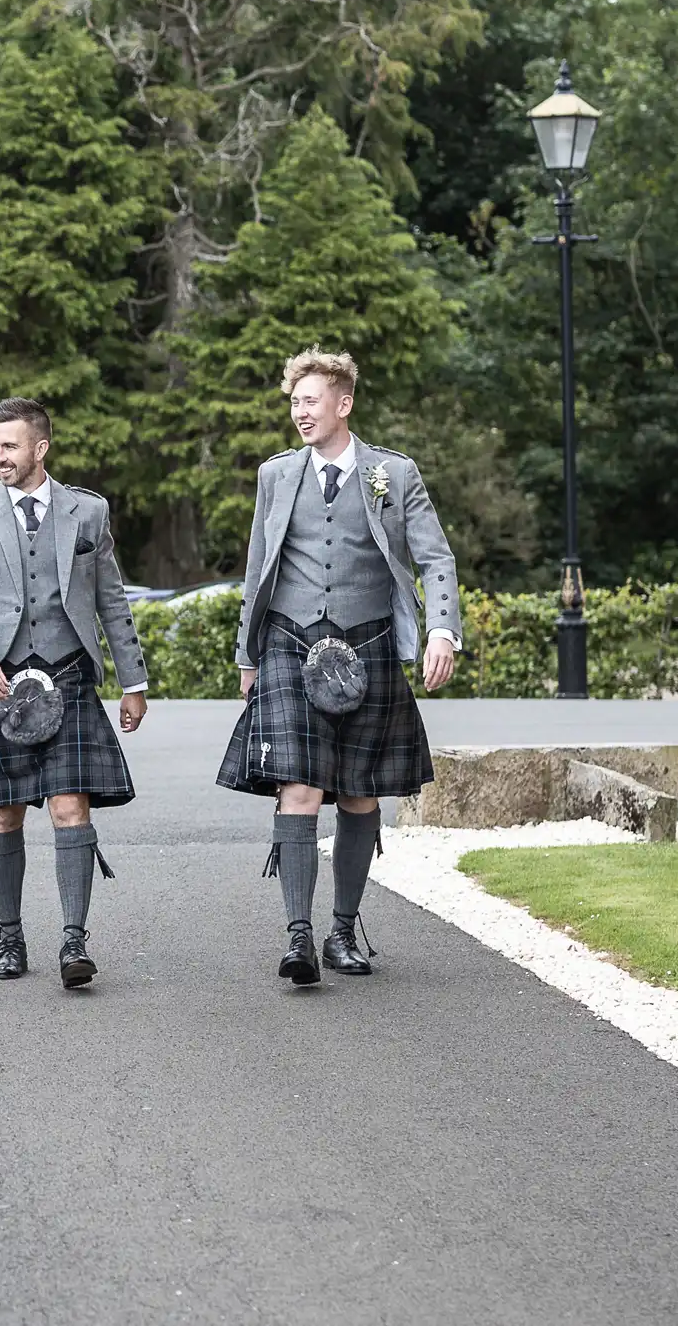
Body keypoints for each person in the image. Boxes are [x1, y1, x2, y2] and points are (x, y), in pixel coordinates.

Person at [216, 349, 461, 984]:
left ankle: (343, 931)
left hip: (370, 643)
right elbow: (256, 569)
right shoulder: (276, 476)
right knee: (299, 787)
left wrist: (441, 631)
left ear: (343, 404)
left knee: (358, 792)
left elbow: (436, 560)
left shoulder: (393, 475)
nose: (299, 412)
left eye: (310, 401)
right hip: (291, 643)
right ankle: (298, 936)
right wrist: (247, 655)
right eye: (294, 401)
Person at [0, 397, 149, 989]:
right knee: (4, 810)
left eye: (10, 446)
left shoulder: (86, 512)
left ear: (40, 448)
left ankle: (74, 940)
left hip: (68, 675)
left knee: (70, 805)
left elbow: (111, 600)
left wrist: (133, 681)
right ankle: (10, 934)